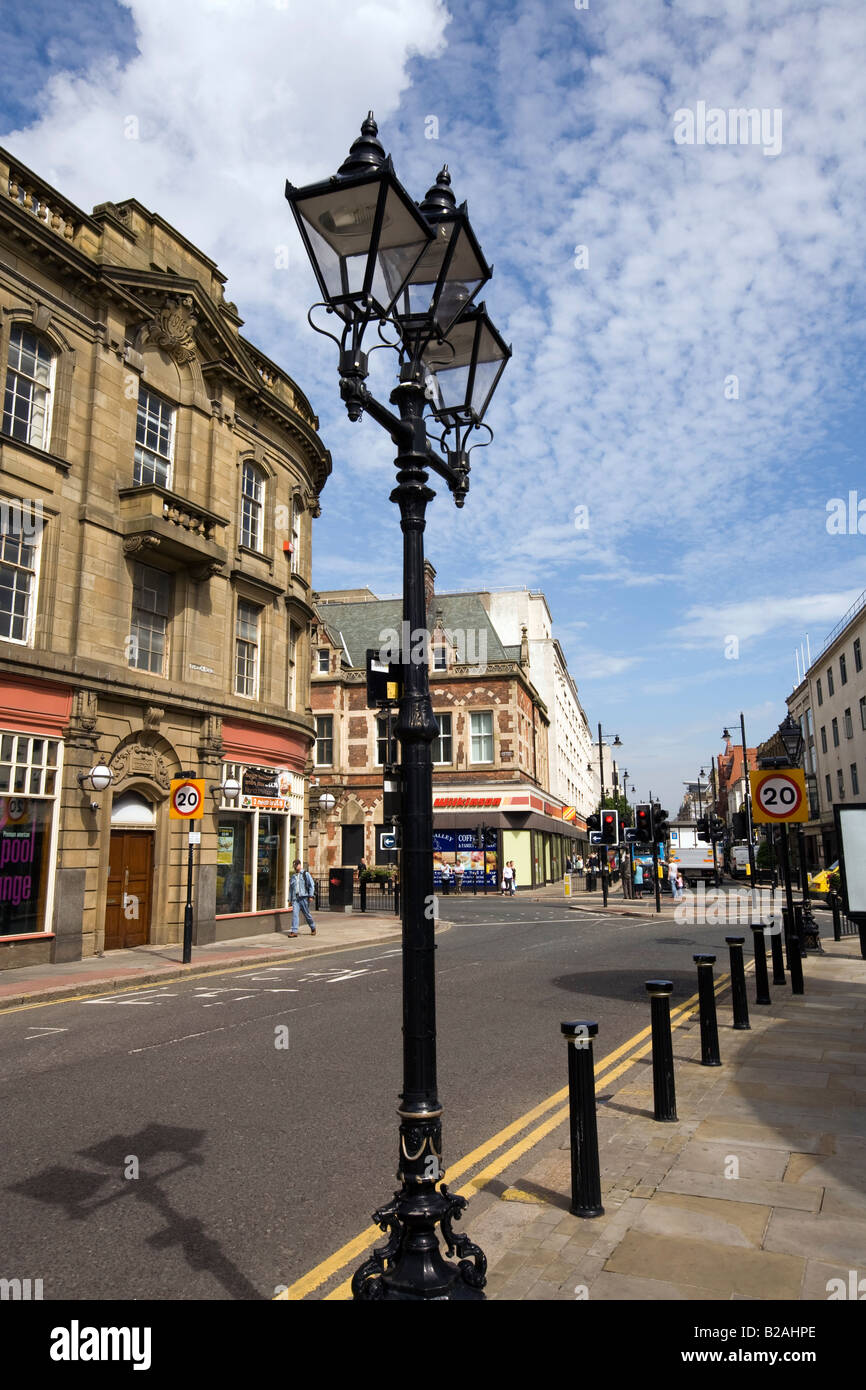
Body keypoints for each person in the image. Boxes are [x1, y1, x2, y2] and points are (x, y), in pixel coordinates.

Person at [289, 859, 317, 936]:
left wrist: (311, 896)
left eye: (296, 865)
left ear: (299, 865)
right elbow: (291, 889)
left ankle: (313, 927)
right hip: (296, 899)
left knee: (307, 914)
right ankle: (294, 931)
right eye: (294, 866)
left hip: (304, 898)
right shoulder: (293, 876)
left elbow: (311, 885)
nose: (295, 867)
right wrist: (290, 899)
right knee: (295, 914)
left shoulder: (305, 874)